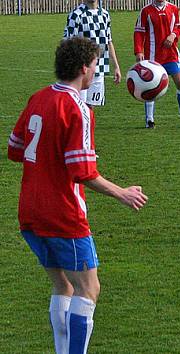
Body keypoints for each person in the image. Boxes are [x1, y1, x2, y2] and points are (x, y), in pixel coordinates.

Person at [7, 37, 148, 354]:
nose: (96, 70)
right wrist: (122, 193)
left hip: (30, 211)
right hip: (62, 213)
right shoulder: (77, 108)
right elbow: (82, 171)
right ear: (84, 68)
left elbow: (15, 150)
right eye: (96, 65)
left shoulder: (38, 98)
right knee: (88, 288)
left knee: (63, 285)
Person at [134, 0, 180, 129]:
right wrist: (139, 51)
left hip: (171, 54)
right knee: (150, 87)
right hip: (153, 56)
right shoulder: (146, 11)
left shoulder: (173, 9)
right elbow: (139, 32)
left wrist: (173, 35)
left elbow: (178, 27)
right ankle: (150, 120)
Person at [63, 0, 121, 107]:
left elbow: (108, 41)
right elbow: (68, 44)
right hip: (81, 71)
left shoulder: (105, 14)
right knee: (79, 107)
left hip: (99, 69)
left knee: (91, 108)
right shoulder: (76, 15)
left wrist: (116, 67)